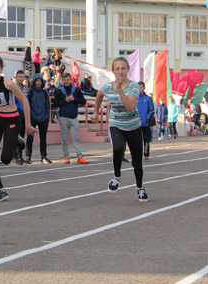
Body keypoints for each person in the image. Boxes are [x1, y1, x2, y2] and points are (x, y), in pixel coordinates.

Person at [90, 57, 149, 202]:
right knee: (117, 148)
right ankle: (116, 177)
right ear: (113, 71)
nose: (120, 71)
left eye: (123, 68)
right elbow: (99, 95)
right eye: (117, 69)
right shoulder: (107, 87)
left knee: (137, 161)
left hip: (133, 126)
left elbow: (130, 107)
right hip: (116, 124)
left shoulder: (134, 86)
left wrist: (120, 90)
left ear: (128, 69)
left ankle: (140, 188)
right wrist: (96, 112)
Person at [0, 54, 35, 202]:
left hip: (12, 120)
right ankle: (0, 189)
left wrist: (28, 124)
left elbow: (24, 101)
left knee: (5, 159)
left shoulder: (8, 83)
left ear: (1, 69)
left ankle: (16, 138)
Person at [53, 72, 89, 165]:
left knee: (76, 138)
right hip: (63, 117)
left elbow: (83, 101)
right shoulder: (59, 91)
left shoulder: (76, 90)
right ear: (62, 80)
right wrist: (65, 100)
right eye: (64, 80)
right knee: (64, 139)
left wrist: (74, 100)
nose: (66, 81)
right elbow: (55, 103)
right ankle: (66, 157)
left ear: (70, 80)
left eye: (68, 79)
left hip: (73, 117)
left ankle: (80, 157)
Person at [26, 74, 52, 164]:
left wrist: (46, 117)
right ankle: (28, 156)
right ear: (34, 82)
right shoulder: (30, 92)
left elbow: (47, 106)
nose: (39, 83)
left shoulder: (44, 93)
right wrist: (29, 117)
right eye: (37, 81)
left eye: (40, 81)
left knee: (43, 138)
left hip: (43, 118)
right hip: (32, 118)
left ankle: (44, 156)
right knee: (30, 138)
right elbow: (27, 105)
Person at [137, 83, 155, 160]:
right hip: (136, 123)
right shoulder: (134, 98)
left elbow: (151, 110)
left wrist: (147, 118)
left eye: (140, 87)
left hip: (145, 123)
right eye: (138, 87)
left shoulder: (148, 99)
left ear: (144, 88)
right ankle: (138, 155)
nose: (139, 89)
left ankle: (146, 154)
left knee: (146, 139)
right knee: (137, 140)